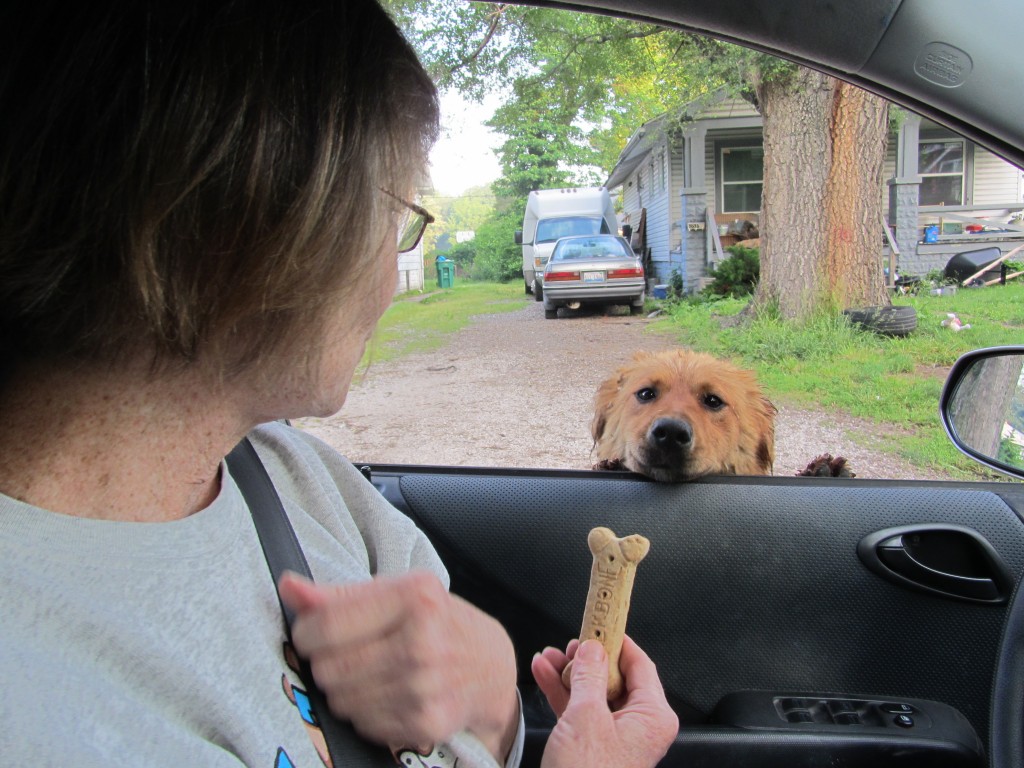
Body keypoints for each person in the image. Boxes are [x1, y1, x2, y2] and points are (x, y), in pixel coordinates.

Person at [0, 1, 679, 766]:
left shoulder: (300, 481)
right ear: (265, 213)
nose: (392, 278)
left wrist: (490, 687)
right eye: (395, 219)